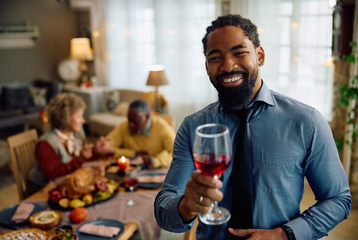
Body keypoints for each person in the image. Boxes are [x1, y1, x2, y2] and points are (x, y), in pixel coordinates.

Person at [154, 14, 351, 240]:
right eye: (215, 57)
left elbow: (338, 199)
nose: (227, 66)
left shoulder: (307, 122)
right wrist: (185, 206)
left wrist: (283, 235)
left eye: (239, 53)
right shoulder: (193, 127)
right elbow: (164, 209)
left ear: (260, 55)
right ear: (207, 66)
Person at [27, 93, 108, 196]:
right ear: (65, 117)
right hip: (42, 193)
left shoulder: (76, 136)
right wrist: (80, 159)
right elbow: (53, 174)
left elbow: (81, 160)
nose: (83, 121)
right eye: (79, 116)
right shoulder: (45, 144)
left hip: (65, 188)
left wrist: (95, 151)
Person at [105, 99, 175, 168]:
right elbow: (106, 148)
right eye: (129, 119)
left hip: (155, 169)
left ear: (147, 117)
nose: (131, 124)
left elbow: (177, 153)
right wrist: (133, 153)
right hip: (130, 168)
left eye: (135, 121)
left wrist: (156, 161)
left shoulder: (162, 127)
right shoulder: (124, 126)